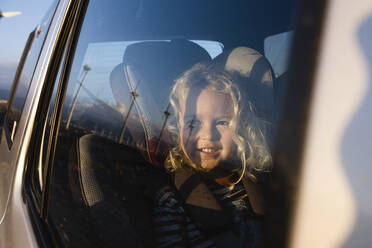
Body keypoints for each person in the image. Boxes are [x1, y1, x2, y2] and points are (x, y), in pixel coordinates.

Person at [152, 63, 272, 248]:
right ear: (178, 126)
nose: (208, 134)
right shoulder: (173, 199)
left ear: (242, 127)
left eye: (222, 122)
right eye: (194, 122)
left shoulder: (257, 181)